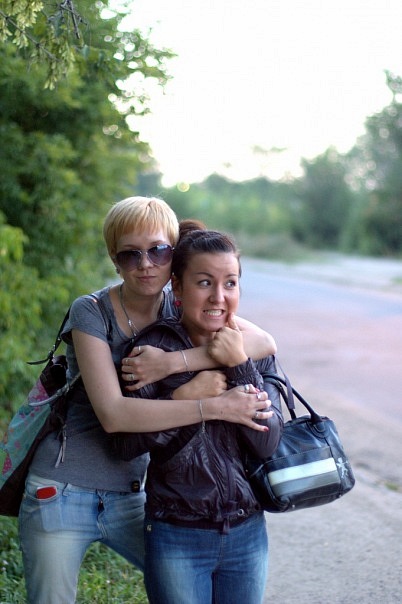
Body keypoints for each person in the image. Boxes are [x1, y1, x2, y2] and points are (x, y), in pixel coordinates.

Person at [18, 196, 276, 604]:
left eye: (158, 250)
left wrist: (173, 362)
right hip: (64, 489)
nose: (146, 264)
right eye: (130, 254)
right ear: (114, 259)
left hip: (133, 495)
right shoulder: (91, 312)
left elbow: (263, 342)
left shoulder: (181, 303)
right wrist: (205, 402)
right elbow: (114, 415)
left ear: (174, 254)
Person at [113, 226, 284, 604]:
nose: (218, 297)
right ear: (177, 286)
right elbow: (125, 444)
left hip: (246, 532)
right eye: (205, 282)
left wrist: (239, 365)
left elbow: (268, 442)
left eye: (230, 283)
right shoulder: (150, 351)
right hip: (177, 533)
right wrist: (181, 398)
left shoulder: (253, 350)